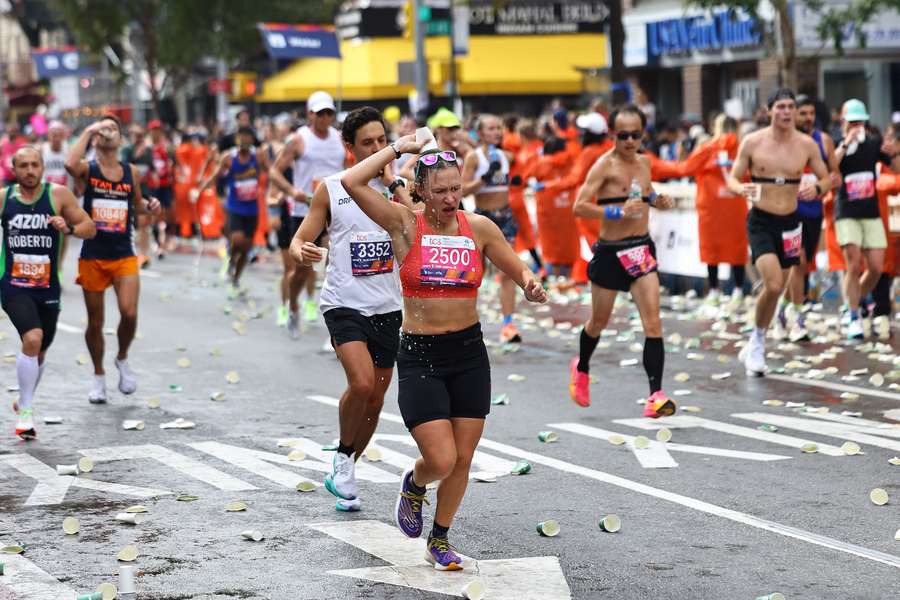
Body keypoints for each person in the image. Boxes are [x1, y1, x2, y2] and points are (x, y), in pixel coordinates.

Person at [341, 136, 547, 570]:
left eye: (456, 189)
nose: (450, 198)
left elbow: (517, 267)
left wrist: (530, 283)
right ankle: (415, 484)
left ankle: (441, 536)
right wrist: (398, 148)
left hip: (469, 352)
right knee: (441, 458)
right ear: (420, 191)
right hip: (420, 354)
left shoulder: (481, 229)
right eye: (440, 190)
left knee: (464, 459)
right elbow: (351, 180)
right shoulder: (403, 224)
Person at [291, 107, 412, 512]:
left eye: (383, 141)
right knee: (361, 384)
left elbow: (415, 228)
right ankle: (343, 456)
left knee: (376, 400)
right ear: (349, 147)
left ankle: (346, 469)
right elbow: (301, 238)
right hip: (343, 303)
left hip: (388, 305)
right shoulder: (331, 188)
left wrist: (398, 186)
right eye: (368, 144)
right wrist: (303, 249)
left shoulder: (400, 188)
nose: (379, 150)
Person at [569, 104, 677, 415]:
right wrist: (616, 211)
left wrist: (658, 201)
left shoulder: (644, 162)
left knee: (653, 323)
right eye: (623, 135)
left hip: (641, 250)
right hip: (611, 253)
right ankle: (582, 366)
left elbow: (647, 193)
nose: (630, 141)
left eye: (636, 135)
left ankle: (655, 395)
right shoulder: (604, 166)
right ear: (613, 135)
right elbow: (579, 207)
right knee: (598, 322)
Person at [727, 89, 831, 375]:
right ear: (770, 110)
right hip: (760, 220)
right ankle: (758, 343)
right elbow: (733, 179)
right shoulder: (752, 142)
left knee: (779, 288)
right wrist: (741, 188)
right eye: (781, 107)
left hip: (791, 221)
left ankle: (754, 340)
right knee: (772, 284)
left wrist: (818, 188)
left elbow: (828, 176)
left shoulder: (806, 144)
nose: (786, 112)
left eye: (791, 107)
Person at [65, 115, 162, 403]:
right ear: (96, 138)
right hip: (93, 254)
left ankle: (121, 358)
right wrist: (89, 130)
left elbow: (136, 206)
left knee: (129, 313)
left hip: (123, 253)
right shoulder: (88, 169)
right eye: (104, 129)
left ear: (121, 139)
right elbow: (70, 165)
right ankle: (98, 375)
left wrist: (150, 206)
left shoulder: (130, 171)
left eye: (114, 129)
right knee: (96, 322)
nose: (109, 133)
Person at [3, 147, 96, 439]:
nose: (30, 171)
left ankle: (24, 398)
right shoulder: (4, 197)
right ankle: (26, 412)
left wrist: (67, 227)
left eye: (35, 165)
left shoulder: (57, 196)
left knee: (40, 351)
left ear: (43, 167)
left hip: (47, 287)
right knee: (32, 338)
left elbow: (89, 227)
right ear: (14, 169)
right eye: (23, 166)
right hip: (14, 284)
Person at [270, 91, 346, 335]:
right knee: (300, 271)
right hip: (305, 213)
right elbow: (274, 172)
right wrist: (294, 192)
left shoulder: (340, 138)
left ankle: (338, 327)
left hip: (334, 211)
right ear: (310, 114)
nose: (325, 118)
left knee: (335, 263)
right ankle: (293, 306)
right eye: (320, 113)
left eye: (329, 113)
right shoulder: (298, 139)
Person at [776, 96, 839, 341]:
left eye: (811, 113)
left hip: (814, 213)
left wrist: (823, 186)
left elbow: (835, 175)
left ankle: (782, 308)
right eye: (803, 112)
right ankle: (798, 321)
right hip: (790, 212)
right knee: (798, 263)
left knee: (802, 267)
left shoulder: (822, 141)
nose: (808, 117)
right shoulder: (785, 142)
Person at [833, 99, 893, 339]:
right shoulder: (838, 144)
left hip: (871, 213)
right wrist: (846, 144)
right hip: (846, 212)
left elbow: (892, 162)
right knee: (854, 263)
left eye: (860, 122)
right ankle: (855, 316)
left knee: (877, 267)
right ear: (843, 122)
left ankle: (852, 303)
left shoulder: (873, 143)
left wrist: (893, 149)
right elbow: (830, 166)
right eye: (852, 122)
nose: (856, 126)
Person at [673, 114, 747, 305]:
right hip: (736, 206)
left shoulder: (707, 149)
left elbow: (685, 169)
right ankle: (738, 290)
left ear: (716, 128)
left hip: (711, 209)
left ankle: (714, 290)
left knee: (711, 248)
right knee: (737, 247)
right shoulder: (742, 149)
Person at [462, 114, 523, 343]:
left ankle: (508, 324)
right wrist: (483, 180)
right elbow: (463, 189)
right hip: (483, 219)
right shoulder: (474, 157)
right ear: (480, 133)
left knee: (508, 273)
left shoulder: (508, 156)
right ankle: (467, 324)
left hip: (505, 217)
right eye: (491, 128)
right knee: (475, 274)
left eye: (499, 128)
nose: (497, 132)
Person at [198, 126, 269, 298]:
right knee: (237, 240)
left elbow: (270, 172)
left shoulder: (258, 156)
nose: (244, 140)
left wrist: (274, 190)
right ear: (237, 139)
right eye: (241, 137)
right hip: (235, 206)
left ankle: (236, 277)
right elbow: (215, 176)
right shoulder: (229, 158)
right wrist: (201, 189)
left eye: (248, 137)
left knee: (246, 248)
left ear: (252, 140)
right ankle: (230, 261)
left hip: (252, 208)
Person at [873, 125, 900, 338]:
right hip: (884, 227)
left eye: (890, 138)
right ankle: (881, 312)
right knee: (882, 268)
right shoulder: (878, 166)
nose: (885, 142)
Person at [120, 124, 154, 268]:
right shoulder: (127, 150)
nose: (139, 139)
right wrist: (136, 156)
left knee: (144, 223)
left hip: (144, 190)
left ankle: (143, 254)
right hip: (128, 192)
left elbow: (151, 167)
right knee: (127, 225)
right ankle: (127, 253)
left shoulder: (148, 150)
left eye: (141, 136)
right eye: (136, 135)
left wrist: (154, 175)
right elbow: (124, 167)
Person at [146, 121, 175, 259]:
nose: (156, 132)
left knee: (168, 213)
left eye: (158, 129)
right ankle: (159, 244)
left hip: (166, 185)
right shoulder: (147, 147)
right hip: (153, 186)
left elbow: (173, 162)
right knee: (155, 214)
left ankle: (166, 241)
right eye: (153, 130)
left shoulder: (166, 146)